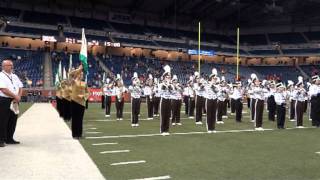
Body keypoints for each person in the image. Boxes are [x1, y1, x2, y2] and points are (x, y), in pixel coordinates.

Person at [0, 59, 23, 147]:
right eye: (9, 65)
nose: (11, 66)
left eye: (12, 65)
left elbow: (20, 86)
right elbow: (3, 89)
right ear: (4, 66)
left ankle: (10, 138)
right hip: (4, 100)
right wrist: (15, 96)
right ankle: (1, 139)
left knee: (13, 120)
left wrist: (19, 96)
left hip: (15, 100)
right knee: (3, 120)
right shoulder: (1, 75)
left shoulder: (15, 76)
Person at [70, 65, 89, 139]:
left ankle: (79, 134)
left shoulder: (84, 83)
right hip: (74, 102)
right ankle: (75, 134)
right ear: (77, 74)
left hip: (82, 103)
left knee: (80, 119)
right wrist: (79, 69)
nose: (81, 75)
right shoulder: (73, 82)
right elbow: (70, 74)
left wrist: (84, 96)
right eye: (80, 74)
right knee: (75, 119)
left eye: (82, 74)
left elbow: (88, 92)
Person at [159, 65, 173, 135]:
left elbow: (173, 93)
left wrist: (169, 86)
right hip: (164, 100)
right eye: (167, 77)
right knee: (163, 115)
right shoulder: (161, 84)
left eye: (169, 77)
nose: (168, 78)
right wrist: (164, 86)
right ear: (164, 77)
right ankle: (162, 130)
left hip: (169, 100)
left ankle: (167, 130)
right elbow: (160, 93)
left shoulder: (171, 85)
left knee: (167, 115)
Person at [205, 68, 218, 133]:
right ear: (211, 78)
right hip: (209, 100)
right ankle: (209, 128)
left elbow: (216, 91)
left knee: (214, 114)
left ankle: (213, 127)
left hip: (215, 100)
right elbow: (205, 89)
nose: (215, 79)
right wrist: (210, 84)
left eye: (215, 78)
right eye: (214, 78)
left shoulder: (217, 85)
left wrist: (212, 85)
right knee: (209, 114)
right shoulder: (207, 84)